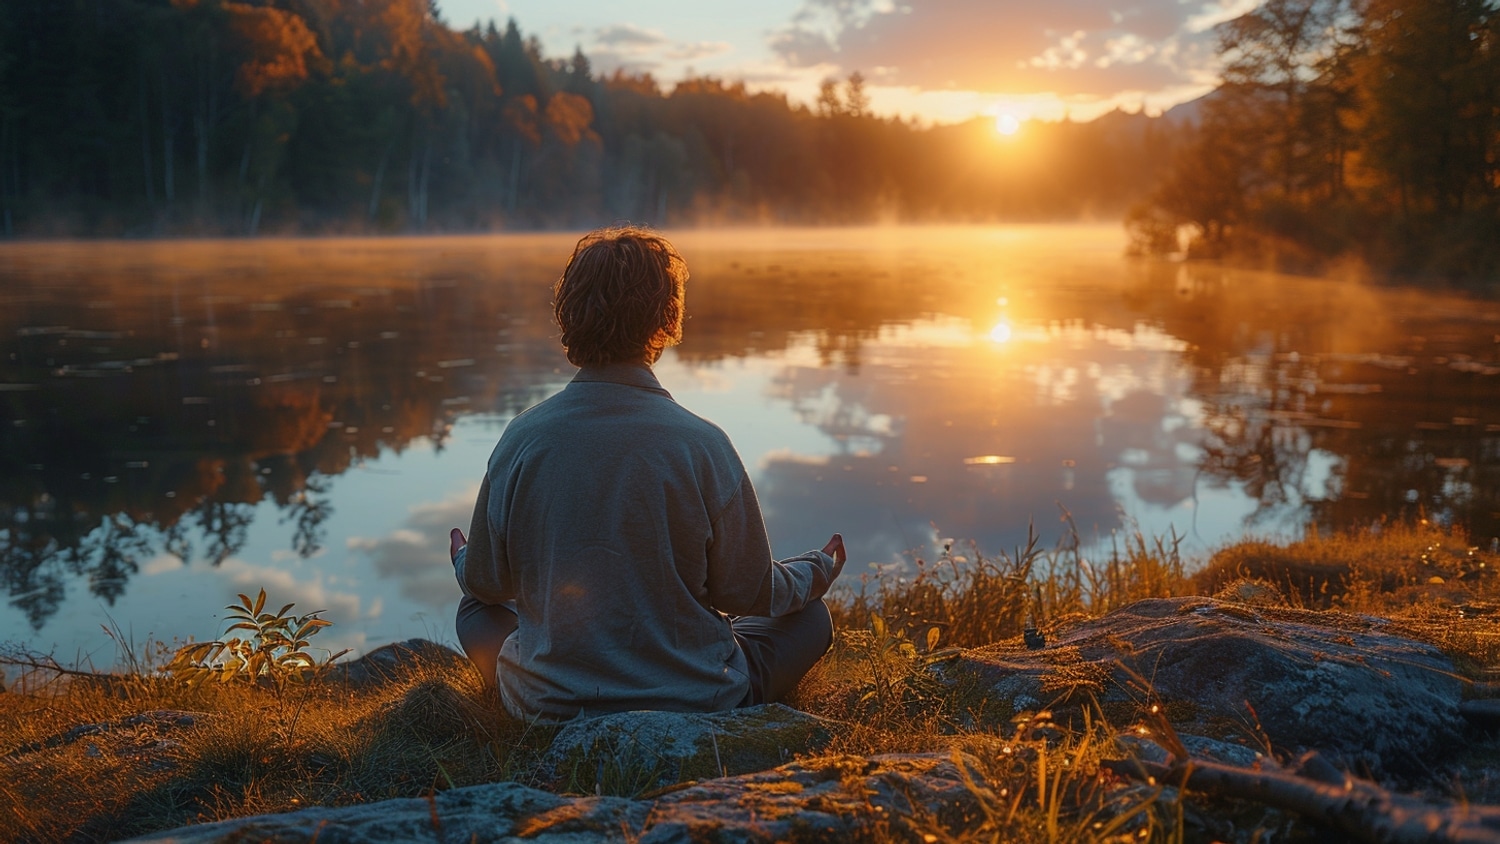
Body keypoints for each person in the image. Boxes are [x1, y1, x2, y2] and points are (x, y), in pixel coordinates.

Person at [449, 225, 847, 721]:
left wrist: (463, 558)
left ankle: (547, 688)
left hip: (549, 707)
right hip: (692, 700)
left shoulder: (521, 438)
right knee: (810, 616)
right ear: (666, 318)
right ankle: (690, 682)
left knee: (473, 612)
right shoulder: (703, 443)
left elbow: (487, 584)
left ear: (568, 315)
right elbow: (747, 593)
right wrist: (815, 569)